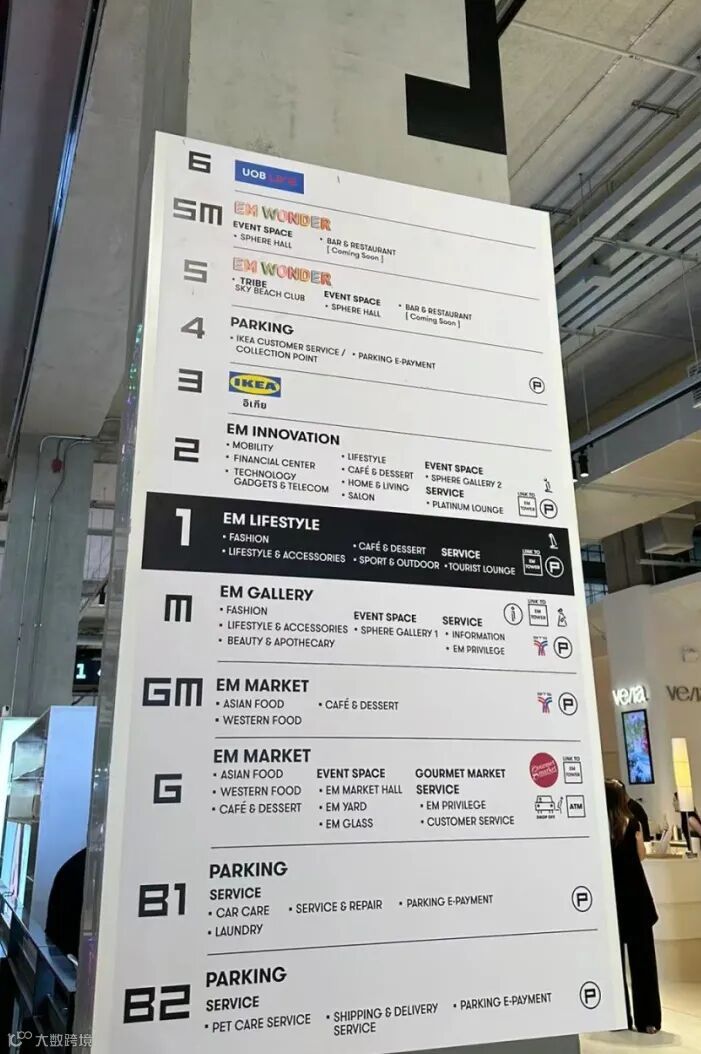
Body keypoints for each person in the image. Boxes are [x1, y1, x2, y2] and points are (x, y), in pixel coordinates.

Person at [605, 780, 661, 1033]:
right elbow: (641, 855)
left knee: (614, 963)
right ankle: (648, 1020)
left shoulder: (600, 828)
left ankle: (618, 1018)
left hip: (612, 899)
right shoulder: (633, 823)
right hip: (637, 898)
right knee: (643, 962)